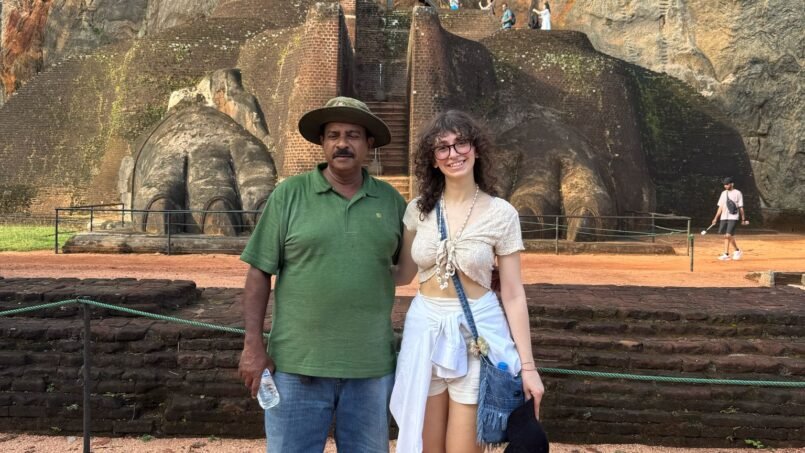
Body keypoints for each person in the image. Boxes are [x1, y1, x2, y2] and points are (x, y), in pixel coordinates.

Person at [238, 96, 407, 452]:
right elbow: (258, 272)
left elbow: (407, 266)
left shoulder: (391, 202)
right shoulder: (289, 195)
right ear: (322, 142)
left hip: (370, 367)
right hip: (297, 366)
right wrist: (252, 345)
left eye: (353, 135)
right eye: (333, 135)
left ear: (369, 144)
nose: (342, 143)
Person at [390, 111, 544, 453]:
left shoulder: (501, 213)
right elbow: (402, 274)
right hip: (425, 331)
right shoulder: (418, 210)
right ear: (432, 159)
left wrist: (529, 368)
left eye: (461, 143)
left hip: (478, 333)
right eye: (442, 147)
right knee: (425, 446)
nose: (453, 153)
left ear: (476, 149)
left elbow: (513, 294)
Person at [710, 176, 748, 261]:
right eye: (724, 184)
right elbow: (720, 207)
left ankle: (734, 251)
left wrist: (743, 219)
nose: (725, 186)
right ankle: (729, 253)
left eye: (727, 184)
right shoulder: (723, 193)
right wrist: (715, 218)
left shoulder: (738, 193)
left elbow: (741, 207)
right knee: (726, 236)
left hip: (733, 216)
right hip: (724, 216)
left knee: (728, 235)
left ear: (732, 184)